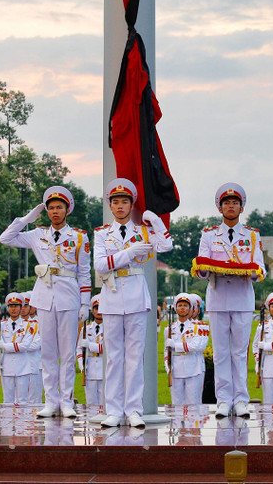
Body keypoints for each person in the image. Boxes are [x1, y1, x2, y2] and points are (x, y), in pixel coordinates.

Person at [0, 185, 91, 419]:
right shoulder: (37, 234)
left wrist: (85, 303)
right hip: (44, 295)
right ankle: (51, 401)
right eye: (50, 208)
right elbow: (5, 238)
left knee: (68, 353)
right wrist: (27, 219)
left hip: (69, 296)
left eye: (59, 207)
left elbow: (85, 272)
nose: (55, 212)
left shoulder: (79, 236)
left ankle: (67, 401)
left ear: (67, 209)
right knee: (48, 353)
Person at [93, 178, 173, 427]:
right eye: (115, 202)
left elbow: (167, 246)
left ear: (131, 205)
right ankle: (114, 410)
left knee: (135, 357)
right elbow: (99, 265)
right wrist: (128, 253)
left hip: (137, 296)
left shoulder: (144, 231)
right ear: (110, 205)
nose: (119, 206)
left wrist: (157, 222)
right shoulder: (102, 234)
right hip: (113, 296)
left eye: (124, 202)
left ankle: (134, 410)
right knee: (115, 357)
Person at [192, 183, 265, 419]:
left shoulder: (252, 235)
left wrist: (248, 271)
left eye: (235, 203)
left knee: (240, 352)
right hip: (218, 296)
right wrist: (204, 270)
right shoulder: (209, 235)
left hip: (242, 298)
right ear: (220, 207)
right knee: (221, 352)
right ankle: (223, 400)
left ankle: (241, 400)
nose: (230, 206)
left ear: (241, 207)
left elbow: (260, 268)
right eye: (226, 203)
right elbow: (202, 267)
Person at [0, 292, 41, 405]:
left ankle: (22, 423)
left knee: (23, 401)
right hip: (7, 366)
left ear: (21, 308)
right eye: (11, 306)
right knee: (7, 401)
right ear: (8, 308)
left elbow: (24, 346)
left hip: (23, 367)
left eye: (17, 306)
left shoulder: (28, 326)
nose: (14, 309)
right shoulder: (1, 325)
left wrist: (5, 346)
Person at [165, 293, 208, 406]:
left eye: (185, 305)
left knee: (193, 403)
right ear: (175, 308)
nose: (182, 308)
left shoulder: (199, 327)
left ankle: (192, 424)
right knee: (177, 402)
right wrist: (167, 365)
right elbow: (166, 350)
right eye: (180, 305)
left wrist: (175, 345)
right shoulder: (169, 328)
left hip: (193, 367)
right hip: (176, 367)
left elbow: (197, 346)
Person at [78, 295, 105, 409]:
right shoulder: (86, 329)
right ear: (92, 311)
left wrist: (90, 345)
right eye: (96, 308)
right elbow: (79, 349)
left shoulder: (111, 328)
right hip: (90, 368)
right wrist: (82, 365)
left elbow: (108, 348)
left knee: (105, 403)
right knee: (91, 404)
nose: (98, 311)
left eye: (101, 308)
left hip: (105, 368)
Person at [22, 292, 43, 405]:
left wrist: (18, 347)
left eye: (27, 305)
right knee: (20, 398)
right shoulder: (18, 324)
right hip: (20, 364)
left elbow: (36, 344)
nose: (24, 308)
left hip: (36, 363)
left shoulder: (39, 322)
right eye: (23, 305)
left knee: (35, 398)